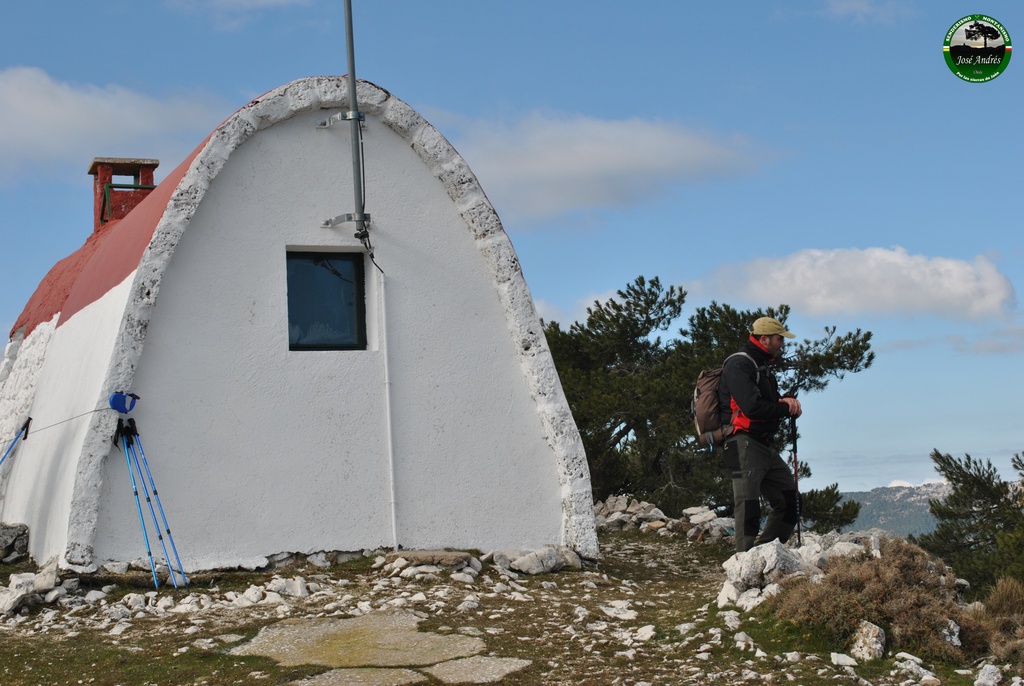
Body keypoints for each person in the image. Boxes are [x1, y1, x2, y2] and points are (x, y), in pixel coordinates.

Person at [718, 316, 802, 553]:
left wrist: (781, 401)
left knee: (790, 501)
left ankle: (765, 554)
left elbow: (762, 403)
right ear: (764, 339)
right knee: (748, 505)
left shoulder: (760, 365)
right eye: (779, 339)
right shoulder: (739, 364)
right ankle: (744, 563)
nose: (782, 344)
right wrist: (785, 407)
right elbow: (752, 408)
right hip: (743, 442)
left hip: (762, 445)